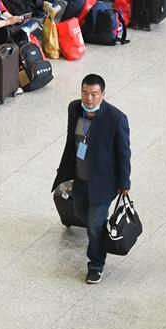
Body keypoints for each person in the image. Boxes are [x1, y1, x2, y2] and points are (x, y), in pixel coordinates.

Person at [52, 75, 130, 284]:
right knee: (80, 213)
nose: (89, 99)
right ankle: (98, 234)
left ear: (103, 94)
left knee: (95, 223)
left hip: (103, 182)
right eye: (85, 93)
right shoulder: (75, 109)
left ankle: (96, 264)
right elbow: (72, 140)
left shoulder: (116, 118)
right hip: (80, 177)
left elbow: (124, 152)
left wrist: (125, 183)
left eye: (94, 94)